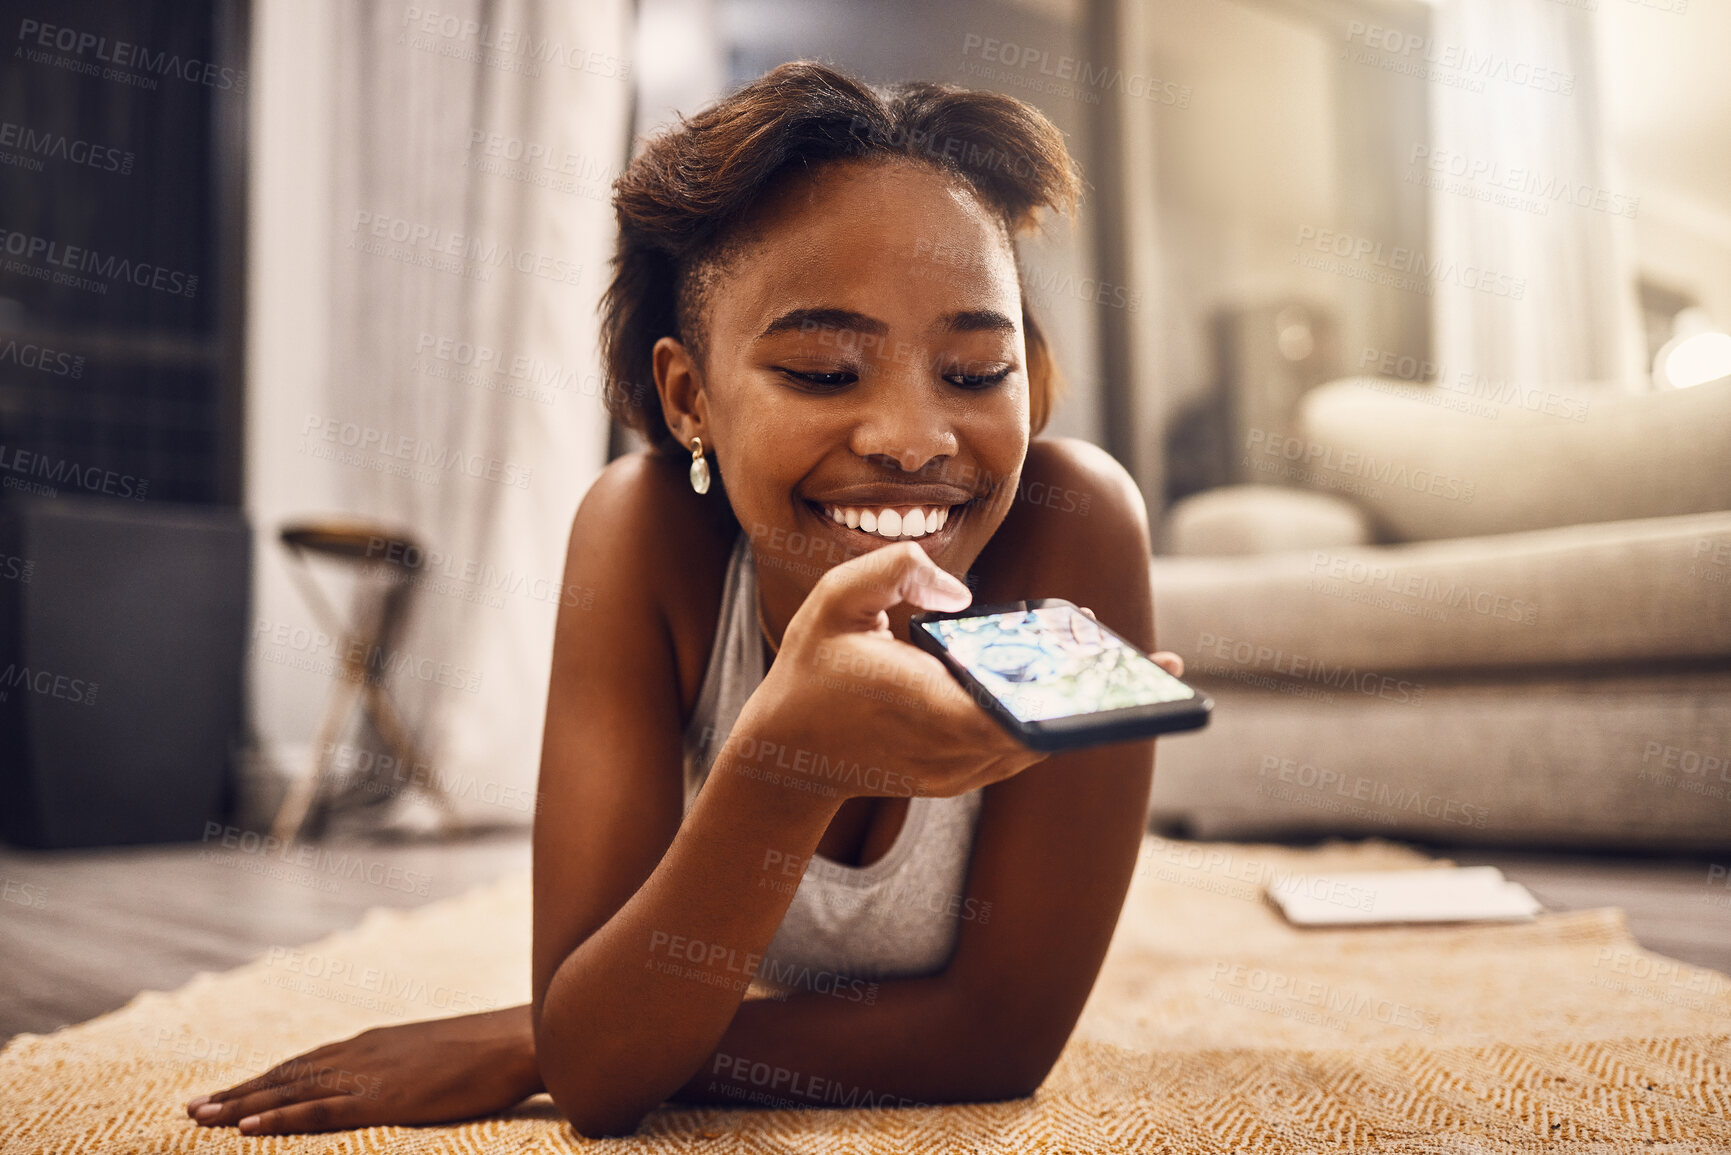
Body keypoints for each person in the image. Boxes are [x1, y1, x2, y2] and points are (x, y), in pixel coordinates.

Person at [185, 59, 1183, 1138]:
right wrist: (785, 767)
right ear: (689, 395)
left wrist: (536, 1039)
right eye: (824, 372)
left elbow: (994, 1041)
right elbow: (606, 1072)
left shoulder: (1076, 531)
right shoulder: (641, 540)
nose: (911, 439)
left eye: (977, 372)